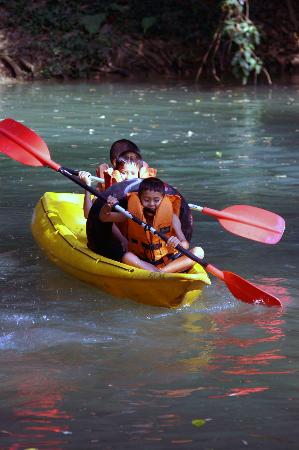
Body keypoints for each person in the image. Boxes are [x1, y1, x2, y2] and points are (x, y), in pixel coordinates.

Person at [86, 177, 204, 273]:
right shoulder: (130, 214)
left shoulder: (172, 216)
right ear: (140, 199)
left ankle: (161, 274)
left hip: (169, 260)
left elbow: (185, 243)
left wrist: (177, 243)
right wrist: (108, 206)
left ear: (163, 199)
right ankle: (158, 274)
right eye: (146, 200)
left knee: (199, 252)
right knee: (127, 257)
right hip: (144, 262)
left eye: (156, 200)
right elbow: (104, 217)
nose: (151, 204)